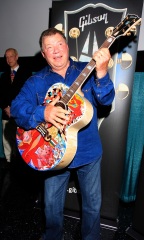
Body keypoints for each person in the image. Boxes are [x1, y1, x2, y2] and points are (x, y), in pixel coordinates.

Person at [10, 28, 115, 240]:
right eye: (49, 48)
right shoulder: (36, 81)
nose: (55, 51)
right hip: (52, 152)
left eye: (59, 44)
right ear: (43, 54)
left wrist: (102, 72)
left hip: (88, 152)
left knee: (93, 206)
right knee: (51, 207)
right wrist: (44, 112)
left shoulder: (88, 69)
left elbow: (106, 100)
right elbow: (17, 108)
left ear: (67, 46)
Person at [0, 48, 32, 163]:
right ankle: (8, 161)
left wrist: (15, 108)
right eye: (7, 57)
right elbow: (1, 94)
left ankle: (19, 161)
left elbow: (28, 94)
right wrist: (5, 107)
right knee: (7, 138)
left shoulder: (26, 73)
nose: (9, 59)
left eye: (11, 56)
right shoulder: (3, 76)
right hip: (6, 113)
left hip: (21, 112)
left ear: (17, 56)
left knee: (21, 138)